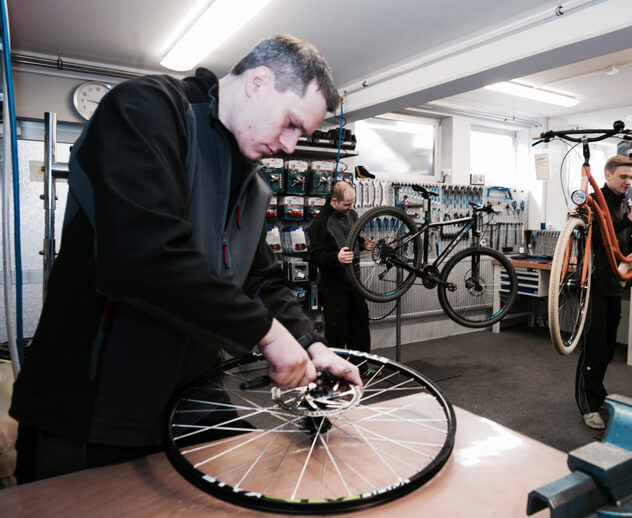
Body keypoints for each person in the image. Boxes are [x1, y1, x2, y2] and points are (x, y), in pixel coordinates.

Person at [10, 35, 362, 483]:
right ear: (258, 81)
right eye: (291, 123)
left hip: (188, 401)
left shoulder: (252, 185)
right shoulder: (147, 111)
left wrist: (312, 343)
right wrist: (266, 335)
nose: (292, 145)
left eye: (302, 134)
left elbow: (261, 281)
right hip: (89, 409)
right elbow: (142, 254)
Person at [575, 155, 632, 429]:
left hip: (613, 286)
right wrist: (629, 219)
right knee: (593, 350)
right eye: (623, 177)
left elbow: (625, 244)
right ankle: (588, 406)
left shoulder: (625, 203)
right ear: (607, 174)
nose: (628, 183)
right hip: (593, 285)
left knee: (606, 350)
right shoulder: (592, 201)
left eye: (631, 177)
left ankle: (598, 393)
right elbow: (596, 237)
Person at [309, 181, 374, 351]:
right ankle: (336, 373)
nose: (350, 207)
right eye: (346, 204)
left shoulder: (352, 215)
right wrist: (335, 257)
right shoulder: (320, 223)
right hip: (334, 288)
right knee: (337, 333)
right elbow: (315, 256)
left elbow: (351, 240)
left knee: (360, 328)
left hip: (355, 283)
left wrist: (362, 244)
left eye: (352, 203)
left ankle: (361, 368)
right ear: (333, 201)